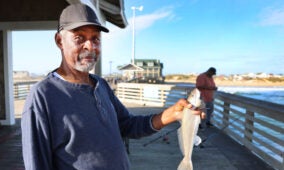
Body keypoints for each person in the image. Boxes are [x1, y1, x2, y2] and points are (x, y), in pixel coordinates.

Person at [21, 3, 204, 170]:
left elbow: (127, 125)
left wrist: (171, 114)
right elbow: (37, 163)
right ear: (60, 41)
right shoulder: (43, 95)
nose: (90, 46)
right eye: (79, 38)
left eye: (95, 38)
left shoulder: (100, 85)